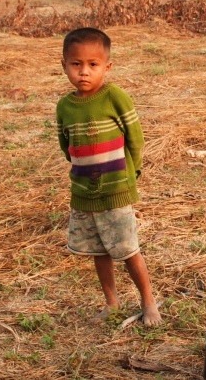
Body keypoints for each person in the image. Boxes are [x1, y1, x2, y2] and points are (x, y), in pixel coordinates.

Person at [56, 27, 162, 327]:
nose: (84, 72)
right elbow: (66, 145)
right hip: (84, 194)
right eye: (76, 64)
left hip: (116, 190)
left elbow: (135, 139)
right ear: (64, 64)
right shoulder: (65, 106)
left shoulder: (115, 97)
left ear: (107, 67)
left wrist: (132, 173)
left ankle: (148, 301)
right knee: (98, 250)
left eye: (93, 65)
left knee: (128, 249)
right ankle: (112, 302)